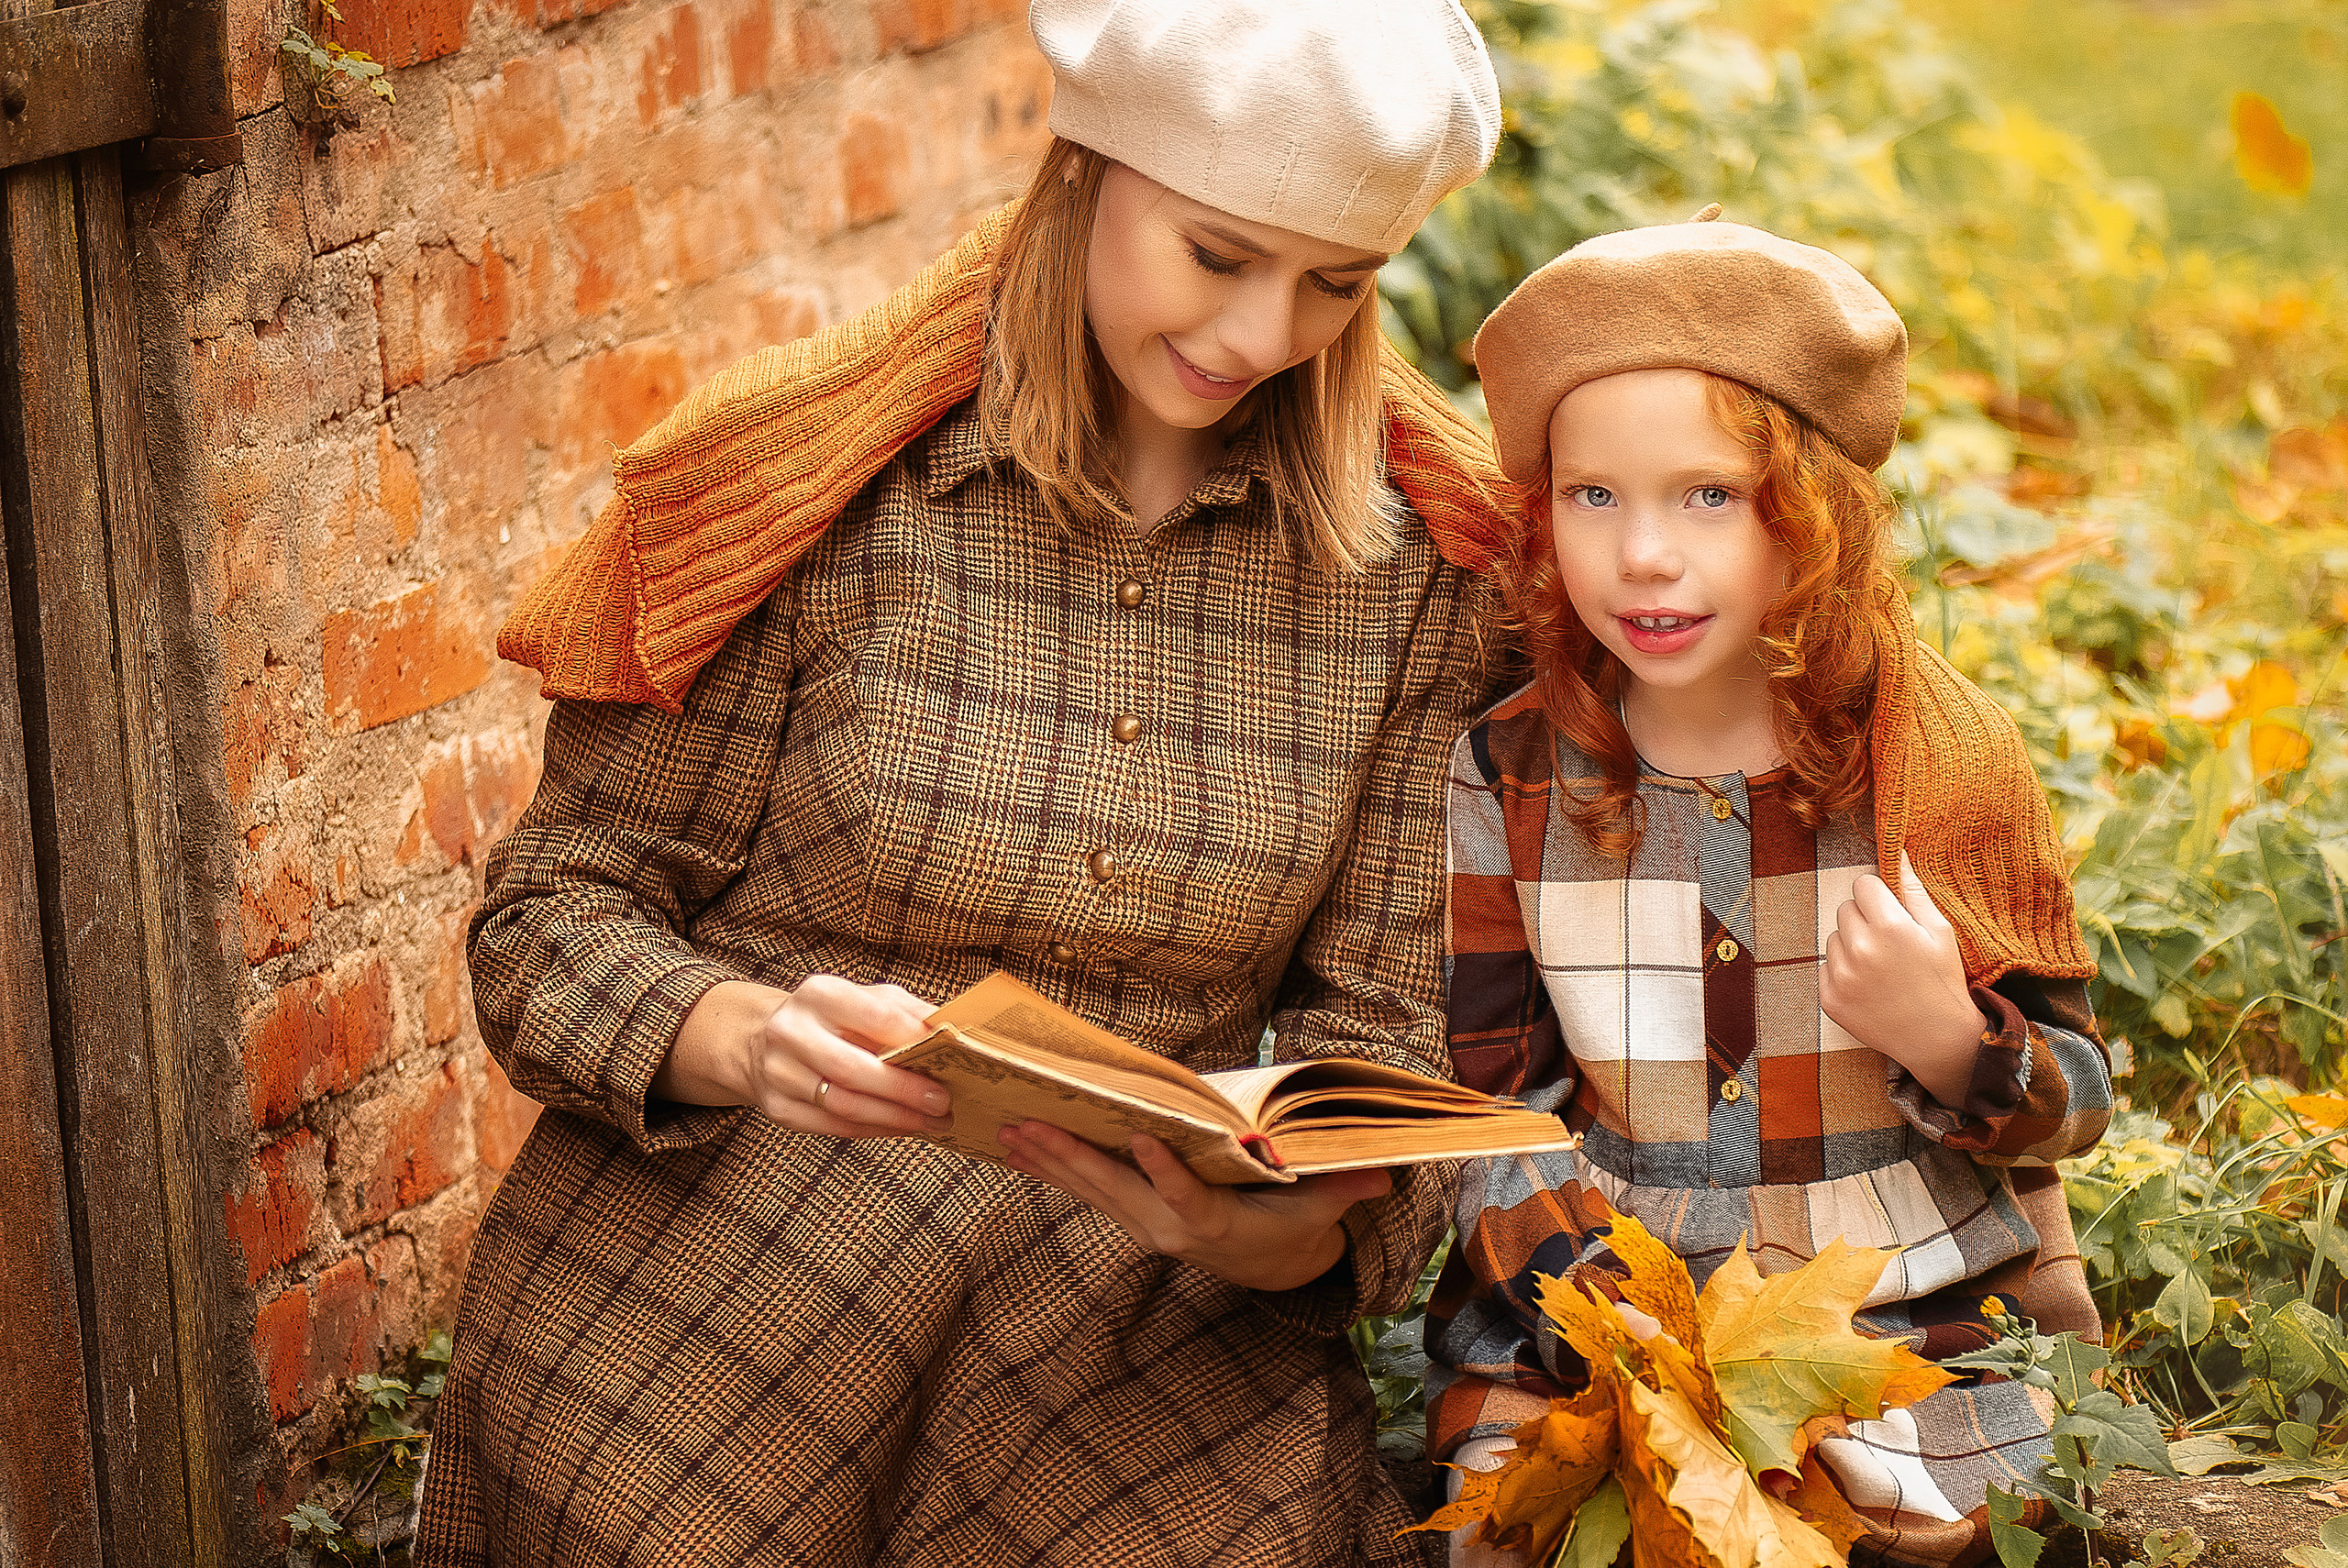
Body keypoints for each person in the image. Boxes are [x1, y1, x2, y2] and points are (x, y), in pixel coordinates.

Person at [416, 2, 1515, 1562]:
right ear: (1085, 173)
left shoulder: (1416, 580)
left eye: (1333, 285)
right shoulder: (816, 490)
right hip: (729, 1288)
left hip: (1144, 1344)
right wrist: (741, 1035)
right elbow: (547, 921)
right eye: (1217, 256)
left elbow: (1379, 1042)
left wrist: (1277, 1235)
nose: (1268, 335)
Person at [1423, 213, 2116, 1567]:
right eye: (1594, 496)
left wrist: (1952, 1042)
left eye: (1709, 495)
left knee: (1942, 1540)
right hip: (1598, 1304)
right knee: (1531, 1531)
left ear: (1812, 512)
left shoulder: (1929, 760)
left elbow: (2076, 1106)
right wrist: (1615, 1319)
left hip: (1901, 1319)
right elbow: (1486, 1106)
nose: (1644, 556)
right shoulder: (1510, 775)